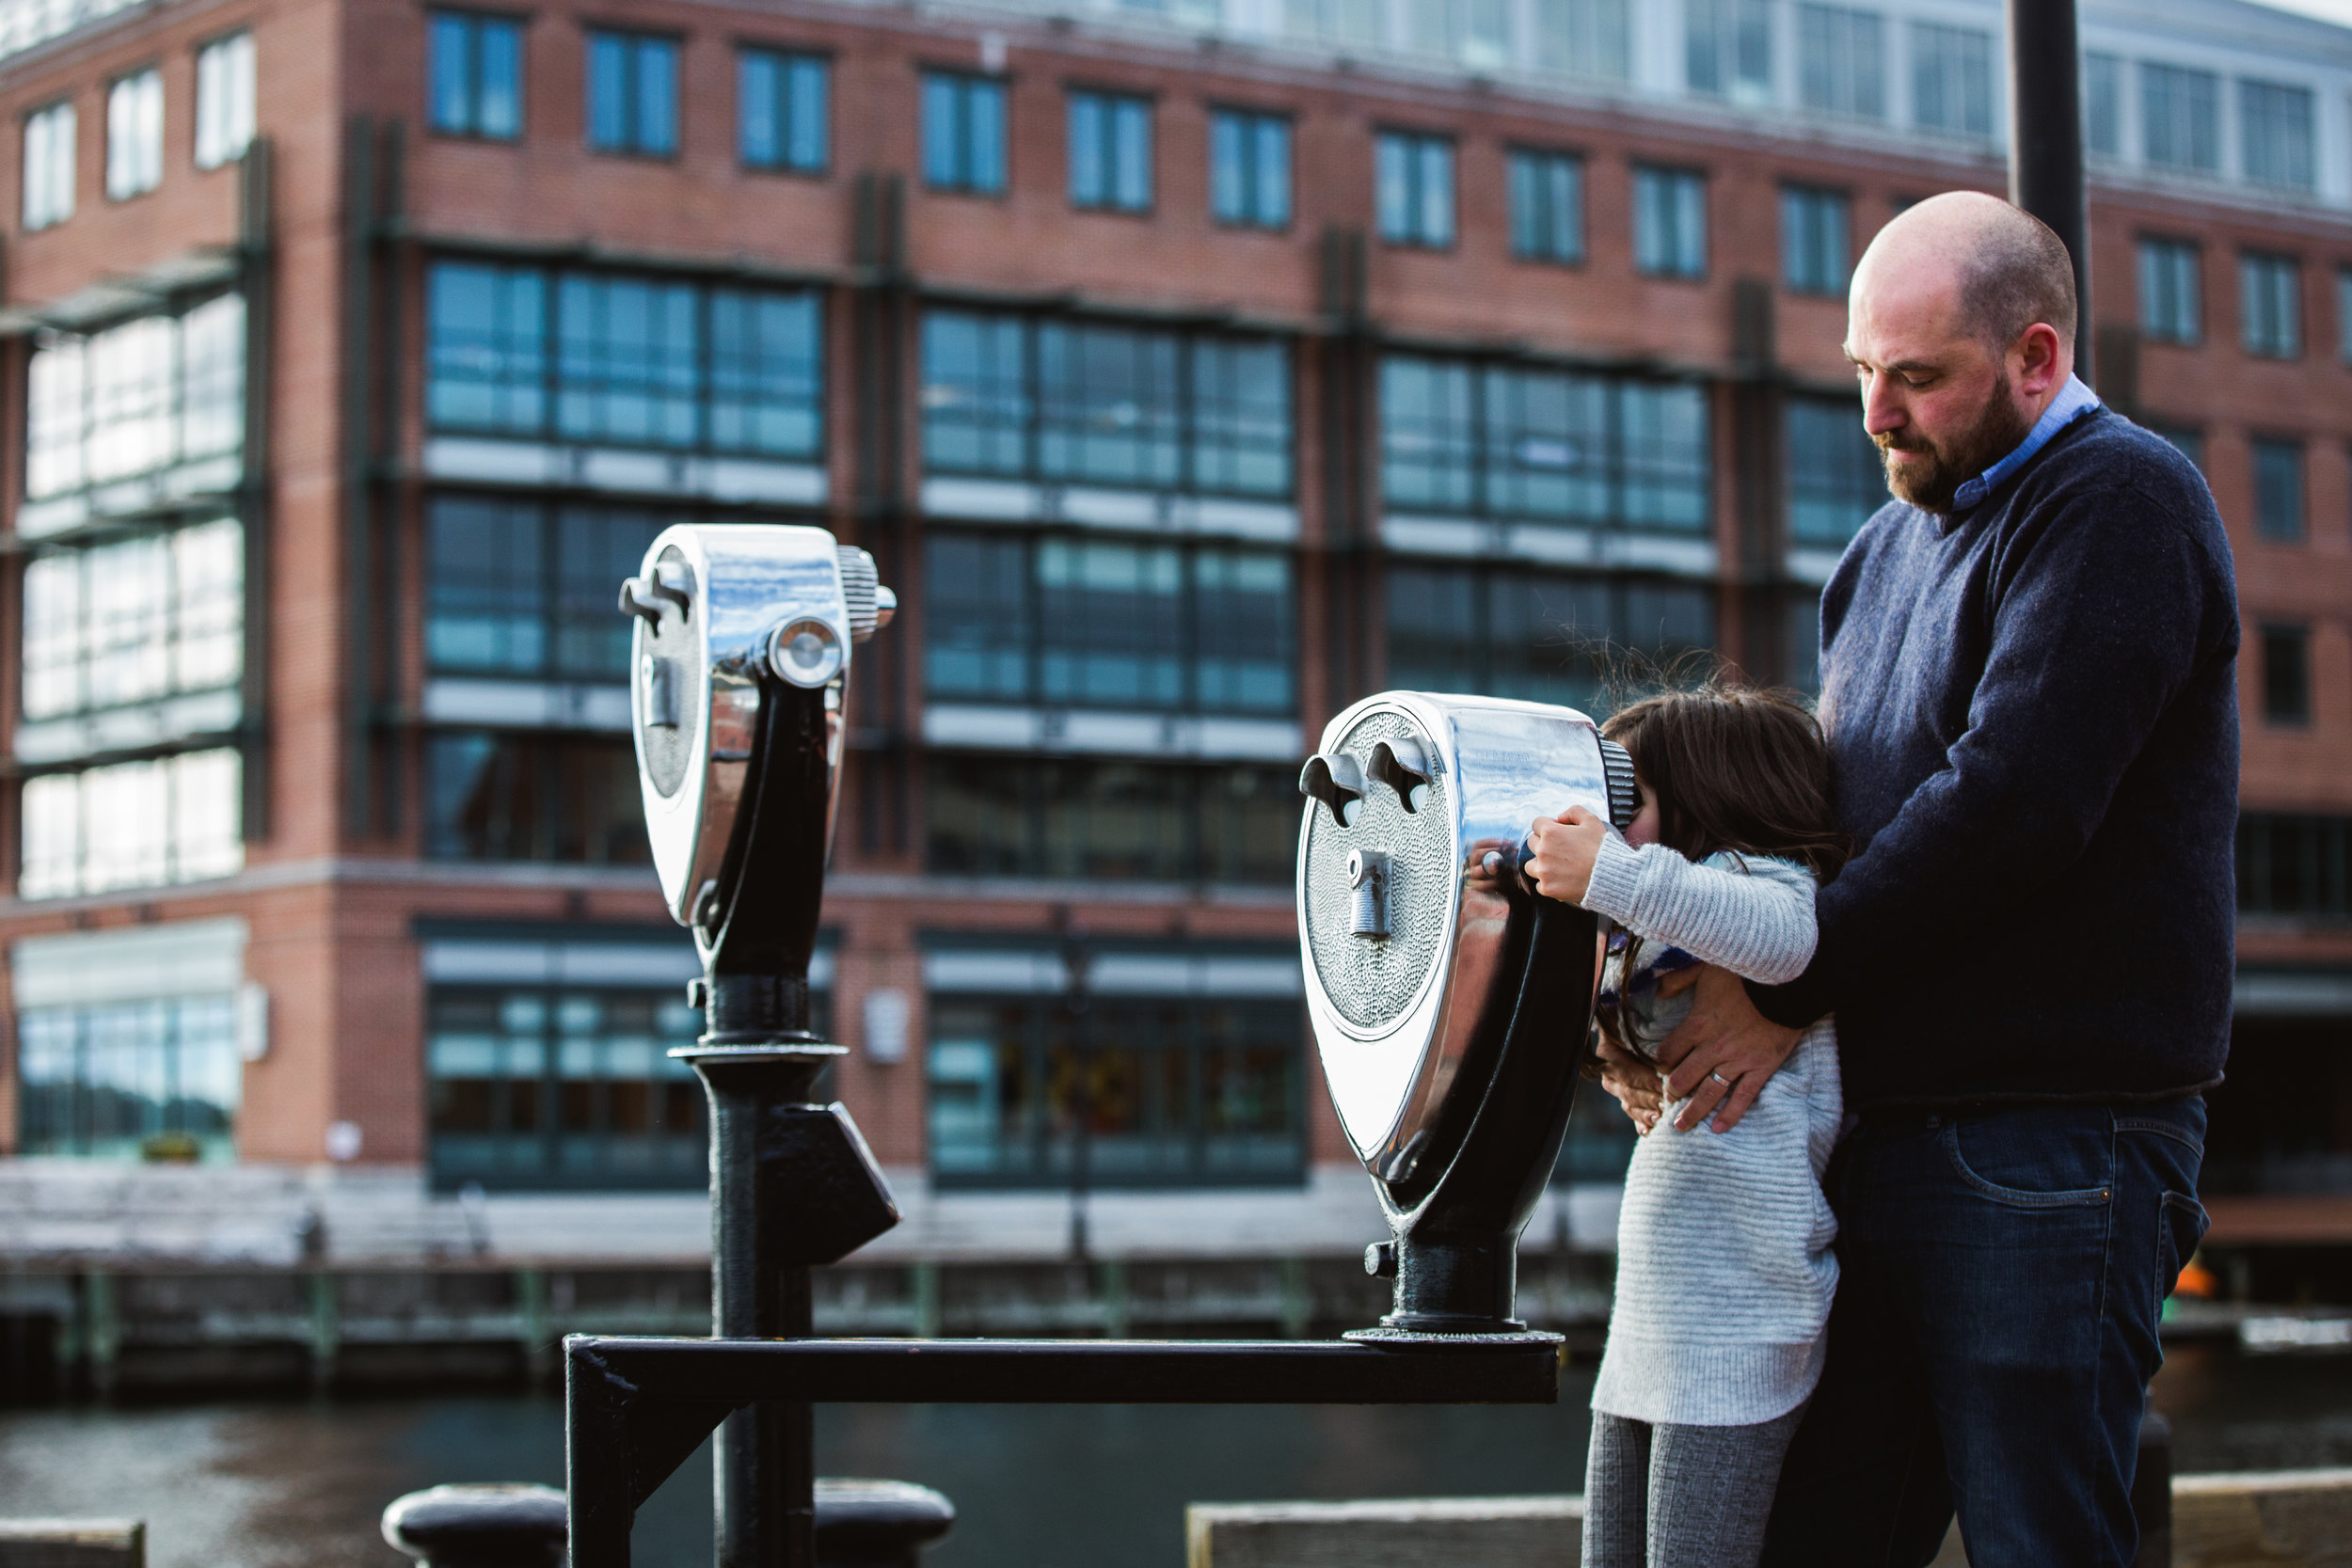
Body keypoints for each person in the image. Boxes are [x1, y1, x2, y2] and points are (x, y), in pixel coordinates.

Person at [1600, 190, 2239, 1566]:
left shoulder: (2122, 498)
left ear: (2037, 359)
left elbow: (2016, 803)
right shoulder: (1879, 552)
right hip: (1873, 1141)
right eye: (1862, 375)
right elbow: (1822, 821)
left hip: (2055, 1143)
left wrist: (1791, 979)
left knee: (2040, 1539)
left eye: (1918, 378)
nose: (1880, 414)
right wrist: (1670, 992)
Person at [1523, 681, 1848, 1568]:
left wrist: (1615, 876)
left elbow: (1785, 939)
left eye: (1627, 800)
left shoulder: (1764, 887)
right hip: (1654, 1326)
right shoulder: (1667, 928)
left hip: (1737, 1332)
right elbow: (1572, 1003)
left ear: (1708, 793)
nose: (1606, 824)